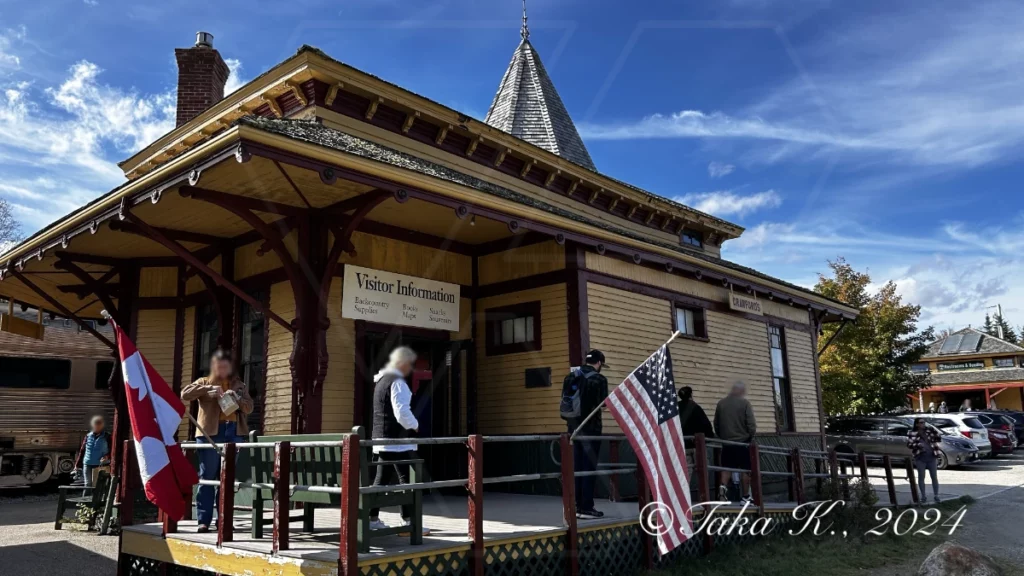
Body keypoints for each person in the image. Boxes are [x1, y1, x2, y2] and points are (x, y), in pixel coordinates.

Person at [181, 349, 253, 533]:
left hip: (233, 432)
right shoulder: (204, 382)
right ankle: (203, 520)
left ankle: (224, 519)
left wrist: (237, 398)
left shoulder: (239, 384)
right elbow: (185, 394)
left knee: (227, 478)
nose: (223, 369)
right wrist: (208, 390)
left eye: (226, 365)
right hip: (210, 433)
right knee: (208, 476)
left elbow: (249, 408)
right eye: (219, 365)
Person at [368, 346, 428, 534]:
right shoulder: (398, 382)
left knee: (382, 479)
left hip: (381, 438)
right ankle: (409, 522)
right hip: (397, 440)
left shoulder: (380, 382)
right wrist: (415, 425)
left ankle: (372, 519)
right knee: (406, 480)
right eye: (409, 364)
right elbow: (401, 412)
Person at [565, 349, 609, 519]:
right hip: (592, 429)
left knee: (576, 468)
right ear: (598, 363)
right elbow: (603, 404)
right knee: (589, 467)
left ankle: (575, 506)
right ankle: (586, 507)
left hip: (573, 429)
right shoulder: (599, 379)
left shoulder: (570, 376)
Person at [713, 381, 757, 503]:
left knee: (726, 469)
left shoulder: (721, 404)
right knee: (745, 470)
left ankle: (722, 495)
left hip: (726, 443)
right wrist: (750, 436)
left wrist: (722, 436)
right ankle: (746, 496)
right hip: (742, 442)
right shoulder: (745, 403)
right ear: (740, 391)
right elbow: (751, 425)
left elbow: (716, 423)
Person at [907, 418, 941, 504]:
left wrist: (934, 429)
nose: (923, 424)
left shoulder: (929, 431)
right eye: (921, 422)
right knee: (921, 477)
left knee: (934, 477)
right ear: (917, 424)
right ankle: (923, 496)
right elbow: (909, 445)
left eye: (924, 422)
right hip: (920, 457)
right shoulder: (912, 433)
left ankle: (936, 495)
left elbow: (938, 438)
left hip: (932, 457)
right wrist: (918, 444)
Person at [73, 415, 111, 494]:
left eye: (98, 425)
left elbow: (112, 450)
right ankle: (85, 504)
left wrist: (107, 456)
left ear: (102, 426)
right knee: (88, 484)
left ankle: (97, 504)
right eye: (95, 425)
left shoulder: (107, 436)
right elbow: (82, 450)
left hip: (100, 464)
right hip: (88, 463)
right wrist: (77, 465)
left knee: (99, 485)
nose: (96, 427)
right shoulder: (88, 436)